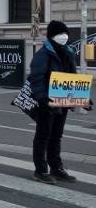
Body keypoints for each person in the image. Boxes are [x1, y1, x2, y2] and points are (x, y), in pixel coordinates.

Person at [28, 20, 85, 184]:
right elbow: (36, 78)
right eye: (61, 34)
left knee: (56, 136)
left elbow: (72, 78)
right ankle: (40, 170)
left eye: (66, 33)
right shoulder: (43, 54)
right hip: (47, 102)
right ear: (52, 36)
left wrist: (81, 98)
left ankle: (56, 167)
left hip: (62, 102)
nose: (64, 36)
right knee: (43, 136)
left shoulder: (67, 52)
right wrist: (42, 98)